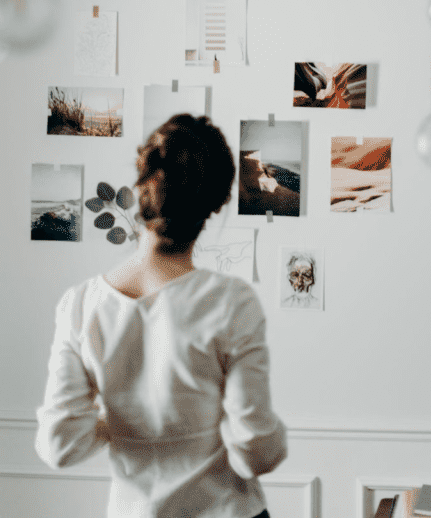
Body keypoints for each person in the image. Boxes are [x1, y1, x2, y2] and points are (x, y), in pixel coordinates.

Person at [35, 113, 287, 518]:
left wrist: (113, 423)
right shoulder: (231, 302)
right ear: (218, 202)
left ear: (141, 187)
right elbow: (255, 453)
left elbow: (59, 445)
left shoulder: (80, 304)